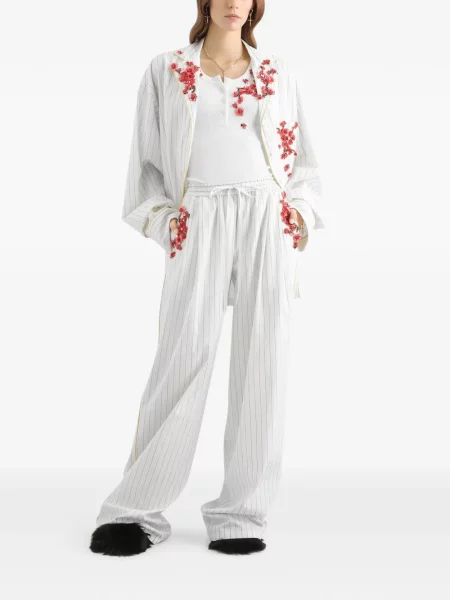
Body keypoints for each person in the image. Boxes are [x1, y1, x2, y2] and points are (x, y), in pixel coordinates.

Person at [90, 0, 325, 557]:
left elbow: (304, 162)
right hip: (198, 217)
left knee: (263, 362)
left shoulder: (278, 73)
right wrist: (165, 222)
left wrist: (297, 215)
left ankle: (241, 514)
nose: (233, 2)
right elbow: (145, 164)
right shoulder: (167, 69)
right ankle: (135, 510)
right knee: (182, 355)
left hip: (266, 219)